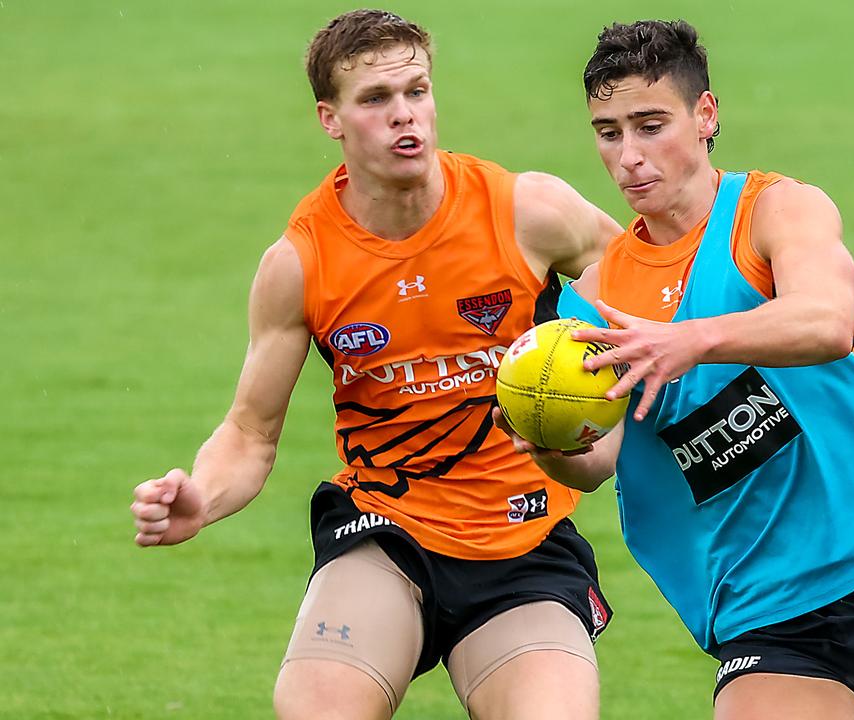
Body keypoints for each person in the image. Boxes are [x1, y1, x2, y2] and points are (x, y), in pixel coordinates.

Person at [495, 19, 854, 720]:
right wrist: (555, 447)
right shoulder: (592, 301)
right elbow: (599, 460)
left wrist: (689, 342)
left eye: (651, 125)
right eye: (609, 131)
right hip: (768, 608)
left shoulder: (776, 211)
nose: (629, 157)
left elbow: (825, 322)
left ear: (706, 115)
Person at [129, 10, 621, 720]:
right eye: (375, 100)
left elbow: (644, 282)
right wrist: (202, 498)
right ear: (331, 119)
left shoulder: (526, 210)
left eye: (417, 91)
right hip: (386, 531)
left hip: (524, 542)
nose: (404, 115)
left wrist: (604, 386)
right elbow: (250, 432)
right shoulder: (301, 264)